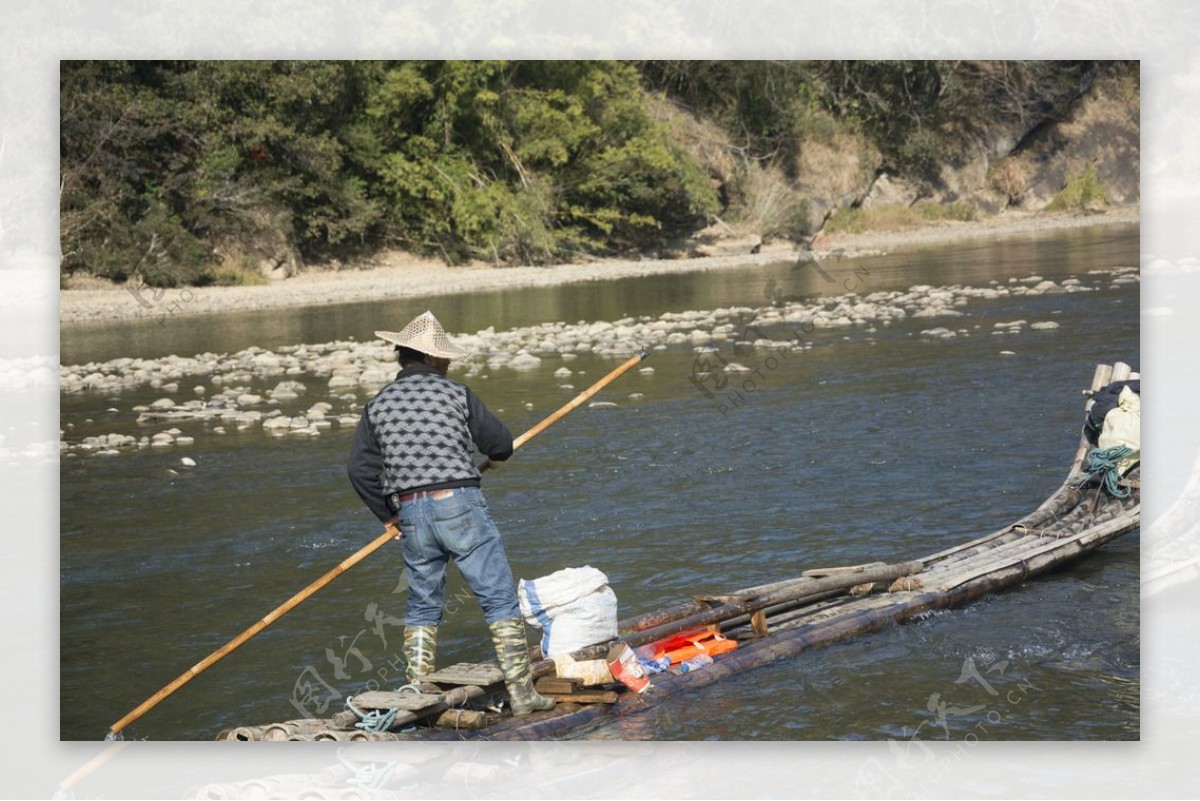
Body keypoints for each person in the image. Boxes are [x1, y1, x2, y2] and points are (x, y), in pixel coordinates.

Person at [347, 311, 554, 716]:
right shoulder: (456, 394)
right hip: (459, 506)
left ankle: (418, 693)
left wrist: (388, 515)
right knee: (497, 599)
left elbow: (360, 471)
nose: (450, 363)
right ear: (434, 358)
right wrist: (483, 455)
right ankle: (524, 696)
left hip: (411, 513)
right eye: (446, 357)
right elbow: (500, 445)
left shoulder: (377, 405)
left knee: (422, 606)